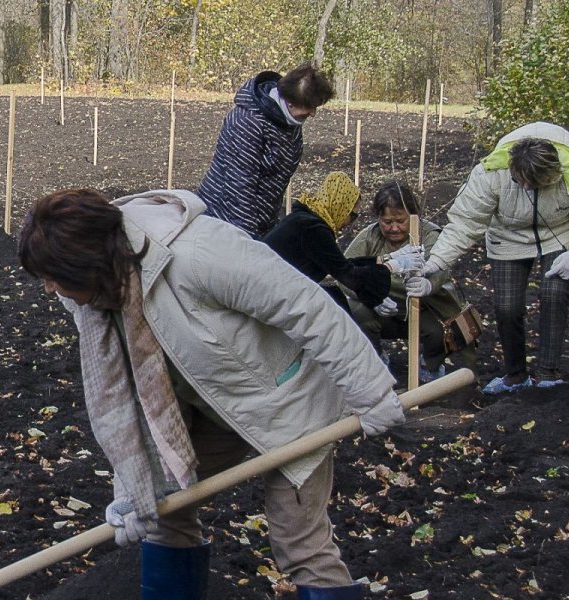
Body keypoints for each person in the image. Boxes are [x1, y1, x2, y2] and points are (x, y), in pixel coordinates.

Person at [17, 187, 406, 600]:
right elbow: (124, 394)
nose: (54, 291)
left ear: (90, 260)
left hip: (286, 400)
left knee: (299, 540)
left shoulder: (198, 254)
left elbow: (305, 305)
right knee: (167, 508)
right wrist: (132, 488)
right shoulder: (95, 290)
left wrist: (371, 391)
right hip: (208, 402)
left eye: (57, 278)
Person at [419, 122, 569, 394]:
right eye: (519, 180)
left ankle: (548, 373)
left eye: (534, 184)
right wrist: (436, 261)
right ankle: (515, 374)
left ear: (554, 174)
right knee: (508, 306)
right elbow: (465, 223)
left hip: (560, 233)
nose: (525, 186)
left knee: (554, 294)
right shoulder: (490, 174)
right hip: (507, 235)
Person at [344, 181, 479, 381]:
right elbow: (345, 273)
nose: (394, 228)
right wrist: (373, 297)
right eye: (387, 222)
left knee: (439, 334)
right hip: (385, 312)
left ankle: (430, 366)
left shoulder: (428, 234)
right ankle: (375, 361)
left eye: (400, 220)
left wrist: (429, 285)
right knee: (357, 314)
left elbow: (442, 268)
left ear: (414, 216)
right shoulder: (369, 238)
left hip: (424, 309)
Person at [197, 62, 334, 238]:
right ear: (290, 101)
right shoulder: (248, 122)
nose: (313, 113)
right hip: (225, 221)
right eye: (310, 106)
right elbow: (240, 187)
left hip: (262, 220)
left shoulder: (288, 121)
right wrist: (250, 242)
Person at [261, 172, 418, 314]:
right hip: (268, 294)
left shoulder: (305, 219)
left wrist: (385, 258)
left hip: (272, 288)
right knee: (335, 305)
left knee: (334, 298)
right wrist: (392, 267)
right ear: (341, 207)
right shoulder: (313, 229)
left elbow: (338, 264)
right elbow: (346, 273)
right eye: (353, 215)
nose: (351, 223)